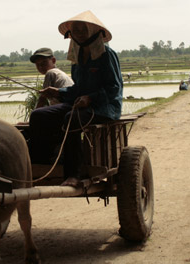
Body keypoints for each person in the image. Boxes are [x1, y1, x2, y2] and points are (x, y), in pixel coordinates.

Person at [27, 10, 123, 187]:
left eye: (82, 29)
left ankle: (74, 174)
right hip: (80, 105)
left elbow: (114, 88)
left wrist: (90, 98)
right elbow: (77, 88)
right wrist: (58, 92)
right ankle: (42, 162)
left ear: (93, 31)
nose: (78, 32)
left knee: (71, 118)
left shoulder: (106, 55)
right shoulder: (77, 58)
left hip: (104, 108)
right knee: (39, 115)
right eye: (75, 29)